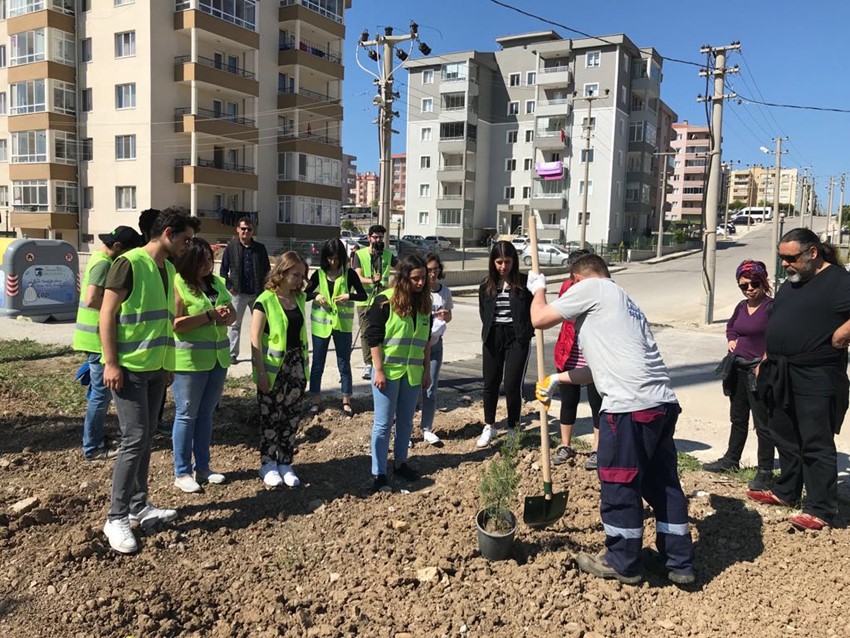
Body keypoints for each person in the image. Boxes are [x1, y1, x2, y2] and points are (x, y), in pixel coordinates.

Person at [530, 254, 694, 585]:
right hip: (660, 403)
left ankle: (622, 561)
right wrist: (557, 380)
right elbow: (599, 369)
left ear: (576, 278)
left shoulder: (591, 288)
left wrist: (539, 288)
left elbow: (539, 318)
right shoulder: (624, 302)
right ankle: (678, 561)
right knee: (661, 484)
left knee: (619, 481)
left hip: (628, 408)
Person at [100, 210, 200, 554]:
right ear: (168, 233)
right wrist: (111, 362)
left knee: (145, 441)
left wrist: (168, 365)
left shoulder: (168, 268)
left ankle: (138, 506)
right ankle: (116, 517)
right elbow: (107, 314)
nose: (188, 247)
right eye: (185, 239)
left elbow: (164, 322)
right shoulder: (129, 264)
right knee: (135, 439)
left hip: (156, 369)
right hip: (128, 370)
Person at [750, 229, 850, 531]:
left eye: (791, 258)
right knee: (785, 433)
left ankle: (820, 508)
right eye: (782, 258)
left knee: (814, 441)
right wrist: (768, 356)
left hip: (816, 373)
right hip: (781, 370)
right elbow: (782, 320)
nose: (785, 264)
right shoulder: (792, 282)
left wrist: (842, 334)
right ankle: (786, 490)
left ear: (813, 253)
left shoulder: (839, 281)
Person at [171, 237, 236, 493]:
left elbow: (232, 314)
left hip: (217, 359)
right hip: (190, 362)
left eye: (210, 261)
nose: (208, 266)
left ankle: (204, 467)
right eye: (202, 262)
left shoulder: (216, 283)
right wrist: (208, 316)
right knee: (187, 414)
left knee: (206, 414)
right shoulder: (178, 284)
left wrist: (226, 316)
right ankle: (182, 471)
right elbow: (176, 323)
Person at [73, 226, 143, 461]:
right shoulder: (104, 263)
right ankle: (92, 447)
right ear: (117, 247)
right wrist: (118, 305)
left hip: (92, 337)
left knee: (98, 392)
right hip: (95, 338)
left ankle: (94, 439)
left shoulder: (97, 257)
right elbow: (93, 298)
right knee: (100, 395)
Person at [703, 260, 775, 491]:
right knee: (738, 418)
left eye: (754, 283)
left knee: (763, 424)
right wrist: (731, 339)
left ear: (764, 282)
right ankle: (731, 459)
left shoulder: (772, 307)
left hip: (760, 371)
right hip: (738, 369)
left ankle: (765, 470)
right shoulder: (741, 307)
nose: (750, 289)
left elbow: (778, 337)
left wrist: (764, 360)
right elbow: (731, 327)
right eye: (744, 286)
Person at [367, 254, 432, 493]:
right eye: (415, 278)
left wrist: (426, 370)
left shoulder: (424, 305)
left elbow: (426, 341)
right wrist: (379, 370)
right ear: (404, 278)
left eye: (423, 278)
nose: (420, 283)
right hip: (388, 373)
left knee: (405, 422)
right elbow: (373, 338)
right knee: (383, 424)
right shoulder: (385, 301)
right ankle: (379, 473)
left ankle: (401, 463)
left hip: (412, 373)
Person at [251, 251, 309, 489]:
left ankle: (285, 462)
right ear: (281, 272)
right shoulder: (264, 300)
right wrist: (261, 373)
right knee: (271, 417)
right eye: (295, 274)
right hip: (273, 370)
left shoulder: (300, 299)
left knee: (291, 417)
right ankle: (267, 463)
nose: (299, 280)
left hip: (296, 366)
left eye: (302, 275)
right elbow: (254, 338)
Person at [476, 241, 533, 448]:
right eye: (499, 262)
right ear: (492, 262)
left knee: (511, 384)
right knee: (490, 383)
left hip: (517, 338)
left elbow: (534, 309)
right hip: (493, 336)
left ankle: (512, 427)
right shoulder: (486, 286)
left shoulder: (525, 284)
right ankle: (490, 425)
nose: (503, 266)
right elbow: (484, 313)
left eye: (507, 262)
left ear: (514, 262)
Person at [305, 238, 367, 416]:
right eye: (330, 258)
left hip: (342, 326)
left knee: (343, 363)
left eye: (336, 259)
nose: (333, 262)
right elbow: (305, 294)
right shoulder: (319, 275)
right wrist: (315, 295)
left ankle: (346, 400)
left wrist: (349, 296)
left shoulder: (350, 275)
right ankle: (315, 399)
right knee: (317, 364)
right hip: (321, 326)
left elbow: (362, 296)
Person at [551, 274, 602, 469]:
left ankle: (597, 449)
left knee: (596, 404)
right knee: (568, 401)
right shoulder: (567, 286)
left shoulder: (599, 288)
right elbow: (561, 311)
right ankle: (565, 446)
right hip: (568, 352)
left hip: (592, 356)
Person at [220, 217, 270, 364]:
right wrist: (229, 287)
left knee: (261, 324)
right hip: (238, 293)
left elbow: (267, 270)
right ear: (238, 230)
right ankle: (232, 354)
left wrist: (266, 289)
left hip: (257, 294)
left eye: (249, 229)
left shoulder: (260, 248)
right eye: (243, 229)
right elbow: (223, 271)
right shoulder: (231, 248)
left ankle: (259, 353)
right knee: (234, 324)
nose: (246, 232)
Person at [352, 225, 397, 380]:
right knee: (366, 331)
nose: (378, 240)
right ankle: (368, 363)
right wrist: (371, 280)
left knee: (384, 330)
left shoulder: (388, 255)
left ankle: (381, 359)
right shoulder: (360, 254)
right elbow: (357, 276)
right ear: (369, 237)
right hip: (365, 298)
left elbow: (402, 269)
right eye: (375, 237)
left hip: (383, 298)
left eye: (380, 237)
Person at [418, 252, 453, 446]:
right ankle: (402, 430)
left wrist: (446, 315)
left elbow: (449, 317)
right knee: (412, 389)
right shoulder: (419, 291)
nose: (432, 274)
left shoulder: (445, 292)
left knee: (430, 387)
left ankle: (427, 428)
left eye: (435, 270)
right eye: (429, 270)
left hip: (435, 344)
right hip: (417, 347)